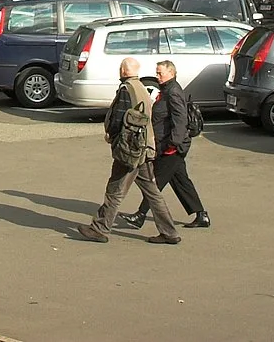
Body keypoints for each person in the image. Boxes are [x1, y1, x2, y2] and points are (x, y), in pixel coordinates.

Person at [72, 58, 180, 245]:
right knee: (152, 192)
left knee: (115, 189)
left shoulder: (126, 90)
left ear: (123, 70)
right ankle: (169, 232)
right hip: (144, 148)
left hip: (130, 150)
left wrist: (111, 136)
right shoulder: (141, 88)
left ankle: (100, 228)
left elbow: (118, 119)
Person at [117, 59, 209, 230]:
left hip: (172, 148)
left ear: (171, 73)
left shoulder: (173, 92)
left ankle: (140, 215)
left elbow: (180, 120)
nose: (157, 76)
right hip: (169, 146)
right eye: (157, 72)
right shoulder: (166, 90)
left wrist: (173, 144)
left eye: (160, 73)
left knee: (154, 183)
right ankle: (201, 214)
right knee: (181, 181)